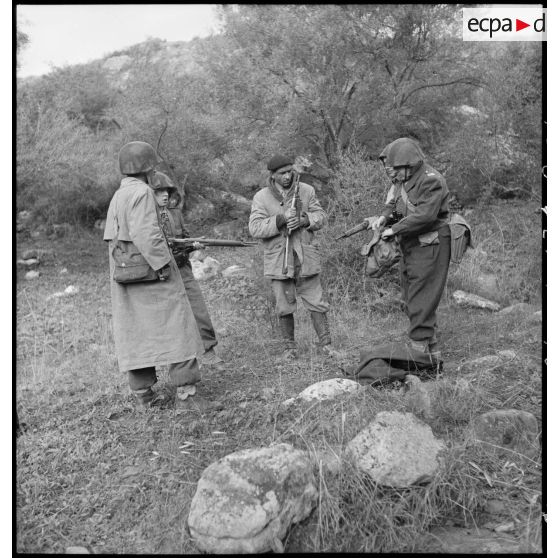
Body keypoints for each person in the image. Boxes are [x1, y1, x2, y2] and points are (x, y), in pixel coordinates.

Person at [103, 141, 215, 411]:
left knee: (136, 334)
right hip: (152, 275)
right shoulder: (142, 192)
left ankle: (144, 397)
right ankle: (188, 396)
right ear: (148, 168)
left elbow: (114, 239)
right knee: (179, 326)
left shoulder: (119, 195)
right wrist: (165, 266)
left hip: (127, 277)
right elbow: (147, 235)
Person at [365, 137, 451, 364]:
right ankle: (432, 353)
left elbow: (426, 215)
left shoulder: (430, 180)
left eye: (395, 169)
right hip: (412, 242)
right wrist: (383, 218)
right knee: (409, 294)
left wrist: (394, 230)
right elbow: (394, 203)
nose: (392, 174)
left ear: (409, 164)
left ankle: (419, 352)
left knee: (422, 295)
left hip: (431, 242)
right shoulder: (404, 181)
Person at [249, 154, 340, 360]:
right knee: (284, 305)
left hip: (305, 256)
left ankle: (326, 345)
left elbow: (321, 216)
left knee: (316, 300)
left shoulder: (306, 191)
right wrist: (280, 220)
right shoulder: (261, 197)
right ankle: (289, 350)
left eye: (290, 171)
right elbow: (255, 228)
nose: (288, 176)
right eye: (282, 173)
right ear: (272, 176)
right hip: (279, 259)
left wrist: (305, 220)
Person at [150, 172, 223, 367]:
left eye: (167, 190)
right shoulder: (146, 218)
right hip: (161, 274)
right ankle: (178, 361)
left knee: (199, 310)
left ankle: (208, 351)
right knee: (170, 319)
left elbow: (186, 240)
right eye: (159, 191)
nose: (165, 195)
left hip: (182, 268)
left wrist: (194, 246)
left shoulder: (174, 214)